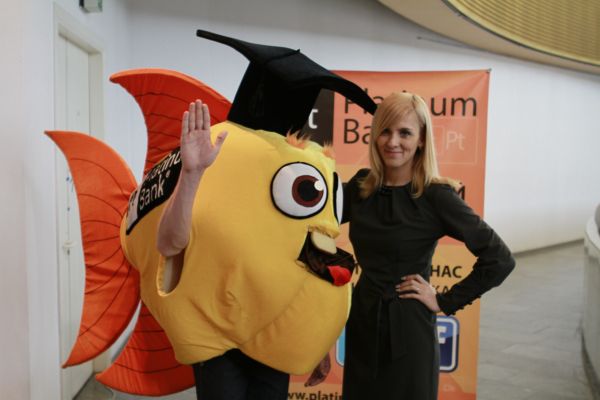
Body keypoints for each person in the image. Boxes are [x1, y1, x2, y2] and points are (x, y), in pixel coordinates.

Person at [341, 92, 515, 399]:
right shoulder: (360, 187)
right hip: (363, 321)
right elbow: (306, 211)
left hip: (410, 328)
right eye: (385, 131)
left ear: (421, 140)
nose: (393, 142)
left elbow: (500, 258)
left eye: (405, 133)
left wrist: (445, 301)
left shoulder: (436, 196)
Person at [156, 100, 290, 400]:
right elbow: (168, 243)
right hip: (216, 337)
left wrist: (311, 340)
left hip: (272, 335)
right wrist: (191, 173)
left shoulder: (292, 195)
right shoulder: (208, 177)